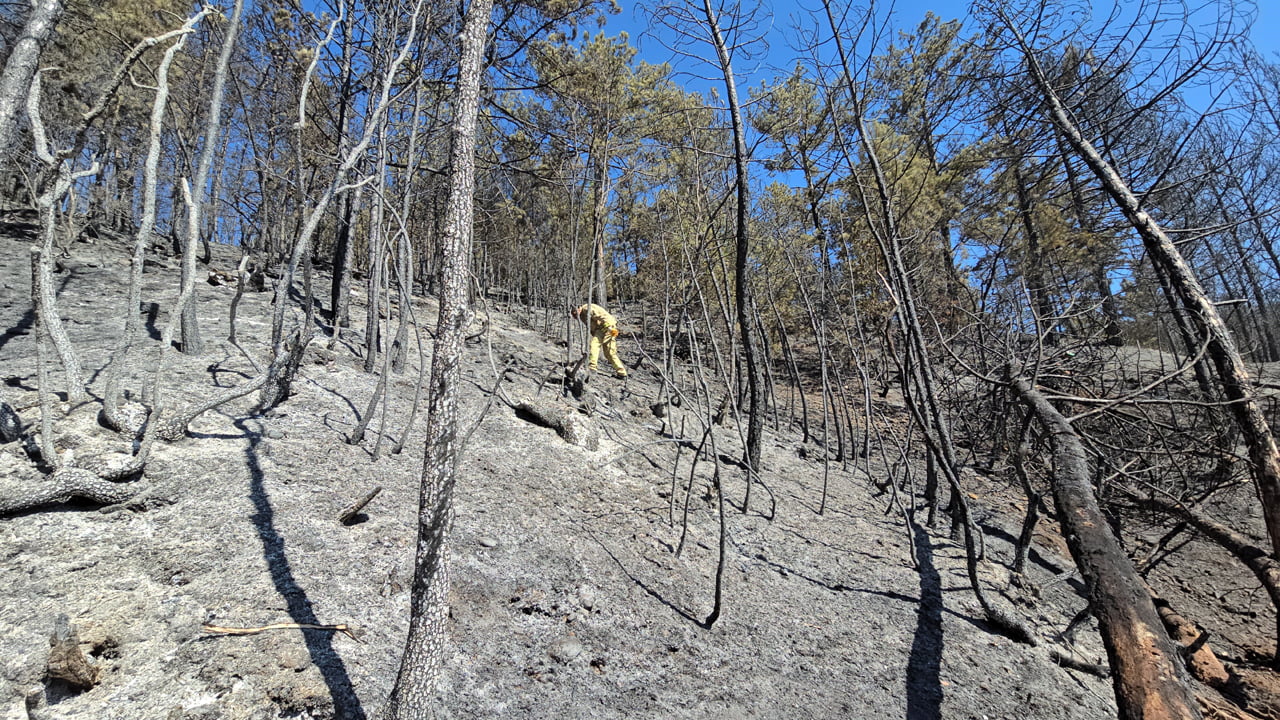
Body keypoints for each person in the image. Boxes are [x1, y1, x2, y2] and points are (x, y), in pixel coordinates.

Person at [572, 303, 628, 378]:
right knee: (600, 348)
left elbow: (601, 315)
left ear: (578, 308)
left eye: (575, 313)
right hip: (600, 329)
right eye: (573, 315)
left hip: (607, 327)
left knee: (606, 351)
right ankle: (594, 368)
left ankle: (620, 372)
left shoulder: (586, 308)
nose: (574, 316)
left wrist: (609, 327)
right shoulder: (581, 315)